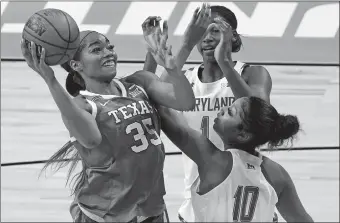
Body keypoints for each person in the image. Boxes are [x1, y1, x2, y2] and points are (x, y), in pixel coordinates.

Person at [21, 17, 195, 222]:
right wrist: (50, 79)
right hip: (105, 215)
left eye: (109, 47)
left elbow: (185, 102)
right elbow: (91, 140)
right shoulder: (83, 105)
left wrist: (171, 67)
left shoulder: (139, 82)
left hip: (150, 209)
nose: (109, 53)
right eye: (97, 50)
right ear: (76, 64)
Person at [146, 4, 273, 222]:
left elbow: (260, 115)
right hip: (199, 193)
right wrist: (184, 44)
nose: (207, 37)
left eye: (215, 30)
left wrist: (225, 63)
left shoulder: (252, 73)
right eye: (201, 31)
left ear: (232, 36)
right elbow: (155, 97)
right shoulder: (185, 79)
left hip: (246, 192)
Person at [158, 96, 314, 222]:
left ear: (243, 135)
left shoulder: (214, 161)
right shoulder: (278, 174)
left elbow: (164, 112)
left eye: (230, 112)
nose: (222, 109)